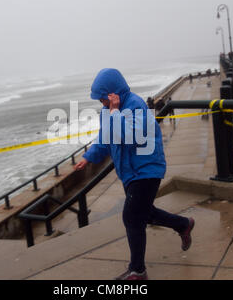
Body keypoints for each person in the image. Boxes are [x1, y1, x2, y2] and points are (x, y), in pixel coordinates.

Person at [74, 68, 195, 280]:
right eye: (100, 101)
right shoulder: (108, 110)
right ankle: (183, 224)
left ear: (114, 94)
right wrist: (89, 156)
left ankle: (138, 270)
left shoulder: (136, 105)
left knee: (131, 217)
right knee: (144, 213)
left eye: (103, 99)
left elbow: (131, 136)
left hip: (147, 170)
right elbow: (106, 139)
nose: (101, 103)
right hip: (129, 172)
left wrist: (114, 112)